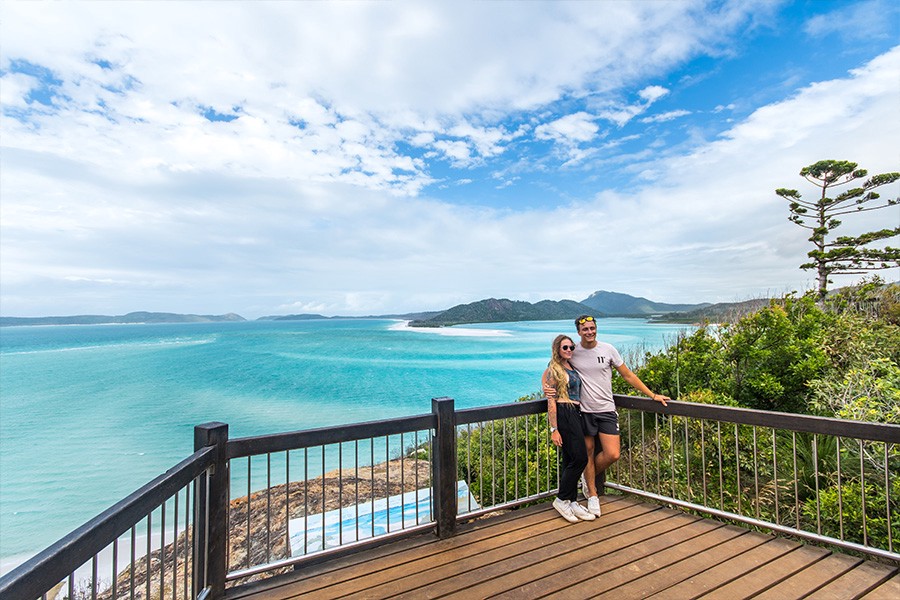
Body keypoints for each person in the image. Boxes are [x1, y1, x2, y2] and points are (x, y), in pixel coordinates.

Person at [547, 315, 670, 517]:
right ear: (579, 332)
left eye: (592, 328)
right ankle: (592, 495)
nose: (589, 332)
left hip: (606, 410)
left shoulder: (608, 349)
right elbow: (554, 367)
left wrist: (652, 395)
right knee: (586, 452)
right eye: (585, 329)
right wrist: (547, 389)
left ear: (596, 329)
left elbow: (628, 375)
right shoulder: (573, 351)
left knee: (613, 454)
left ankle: (588, 478)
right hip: (583, 411)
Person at [542, 334, 596, 523]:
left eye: (571, 347)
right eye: (565, 348)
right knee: (580, 458)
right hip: (565, 412)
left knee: (571, 459)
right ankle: (560, 499)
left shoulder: (571, 366)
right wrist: (553, 429)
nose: (569, 351)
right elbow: (551, 400)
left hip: (576, 411)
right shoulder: (553, 369)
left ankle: (571, 501)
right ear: (557, 349)